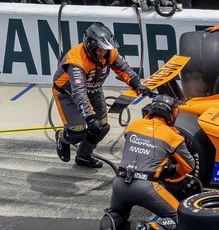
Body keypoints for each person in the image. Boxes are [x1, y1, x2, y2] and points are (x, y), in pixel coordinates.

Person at [99, 95, 203, 230]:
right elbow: (189, 166)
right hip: (145, 187)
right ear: (170, 113)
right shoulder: (173, 136)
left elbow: (139, 146)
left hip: (120, 184)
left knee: (120, 212)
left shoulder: (134, 125)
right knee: (183, 220)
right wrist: (171, 170)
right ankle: (146, 229)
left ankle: (112, 219)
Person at [53, 23, 149, 168]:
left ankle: (83, 156)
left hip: (94, 90)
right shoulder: (76, 61)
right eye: (99, 50)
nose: (102, 53)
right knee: (78, 132)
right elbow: (79, 93)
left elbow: (123, 68)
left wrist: (137, 83)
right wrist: (90, 118)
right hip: (68, 95)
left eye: (105, 50)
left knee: (102, 127)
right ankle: (62, 137)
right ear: (89, 46)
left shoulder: (109, 52)